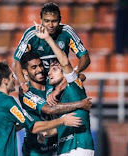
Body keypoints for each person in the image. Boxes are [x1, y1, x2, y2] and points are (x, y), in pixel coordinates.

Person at [0, 61, 83, 156]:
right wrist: (62, 121)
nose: (15, 79)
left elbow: (5, 128)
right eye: (12, 76)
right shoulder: (7, 101)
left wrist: (26, 122)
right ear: (5, 81)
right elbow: (34, 128)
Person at [33, 23, 95, 156]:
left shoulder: (73, 85)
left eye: (54, 69)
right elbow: (60, 127)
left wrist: (48, 39)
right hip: (64, 149)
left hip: (79, 147)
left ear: (64, 73)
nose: (49, 73)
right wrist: (45, 133)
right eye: (49, 70)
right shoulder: (57, 95)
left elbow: (66, 63)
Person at [19, 51, 92, 156]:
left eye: (40, 65)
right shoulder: (26, 93)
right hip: (35, 151)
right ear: (25, 72)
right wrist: (80, 104)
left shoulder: (50, 82)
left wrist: (59, 88)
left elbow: (81, 76)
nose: (40, 70)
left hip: (56, 147)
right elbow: (48, 108)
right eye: (34, 67)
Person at [14, 2, 90, 92]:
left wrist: (73, 74)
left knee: (80, 80)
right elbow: (17, 61)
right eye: (46, 21)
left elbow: (85, 57)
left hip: (59, 81)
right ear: (41, 20)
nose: (50, 25)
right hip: (39, 82)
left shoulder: (67, 32)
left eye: (54, 21)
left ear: (60, 19)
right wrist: (23, 82)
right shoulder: (31, 35)